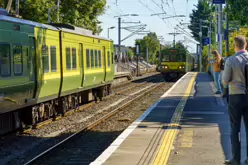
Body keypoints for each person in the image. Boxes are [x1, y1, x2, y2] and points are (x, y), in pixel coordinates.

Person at [222, 36, 248, 165]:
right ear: (246, 45)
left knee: (234, 128)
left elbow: (225, 80)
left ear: (235, 46)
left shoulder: (231, 60)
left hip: (235, 97)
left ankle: (236, 159)